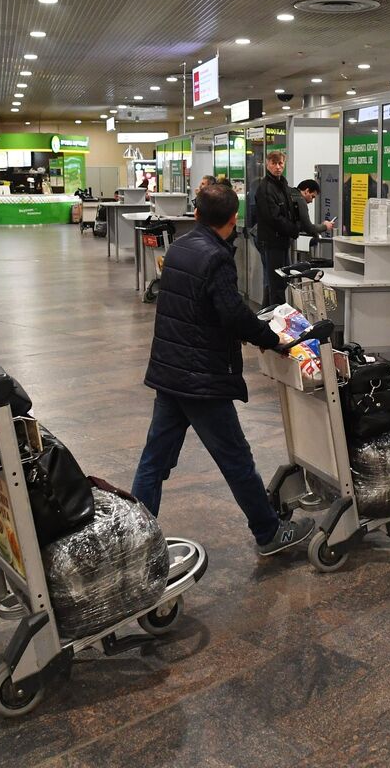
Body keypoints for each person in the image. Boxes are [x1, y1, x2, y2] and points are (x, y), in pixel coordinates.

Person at [130, 183, 316, 557]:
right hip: (201, 379)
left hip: (170, 372)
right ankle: (267, 533)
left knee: (154, 460)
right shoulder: (216, 257)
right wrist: (272, 339)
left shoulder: (180, 246)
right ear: (233, 220)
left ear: (196, 214)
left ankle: (133, 543)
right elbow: (232, 314)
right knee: (237, 460)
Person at [253, 150, 299, 307]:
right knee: (276, 284)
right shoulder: (265, 188)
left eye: (280, 163)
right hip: (271, 241)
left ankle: (265, 318)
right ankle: (277, 322)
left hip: (282, 241)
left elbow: (288, 211)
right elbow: (273, 217)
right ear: (267, 164)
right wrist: (293, 229)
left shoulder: (283, 185)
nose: (277, 167)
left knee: (278, 282)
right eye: (274, 163)